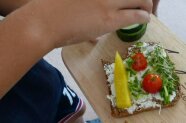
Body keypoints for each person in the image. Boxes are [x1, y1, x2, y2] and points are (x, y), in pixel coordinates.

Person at [0, 0, 152, 123]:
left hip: (35, 81)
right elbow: (44, 22)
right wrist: (45, 22)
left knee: (70, 112)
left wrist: (61, 14)